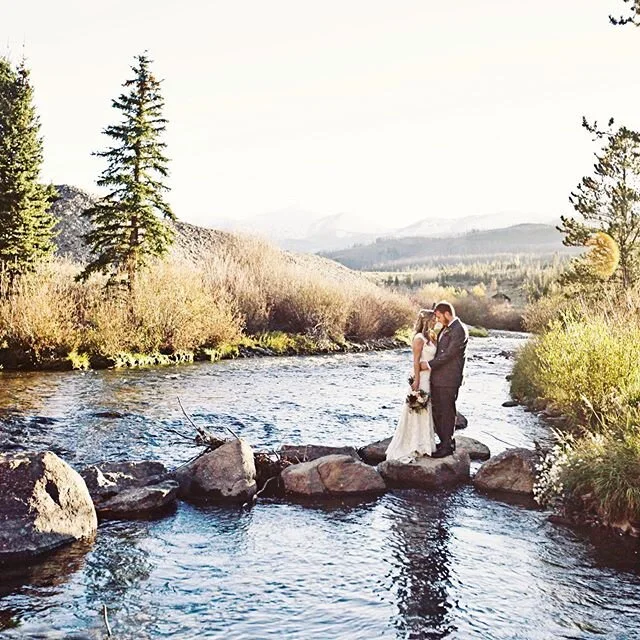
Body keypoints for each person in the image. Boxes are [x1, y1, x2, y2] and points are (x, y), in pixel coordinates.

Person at [386, 309, 437, 462]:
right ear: (426, 320)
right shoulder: (419, 338)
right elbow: (415, 361)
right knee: (417, 408)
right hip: (421, 378)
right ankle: (414, 444)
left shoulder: (431, 336)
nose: (435, 322)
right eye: (433, 319)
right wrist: (416, 380)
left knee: (427, 408)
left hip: (430, 377)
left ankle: (425, 444)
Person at [421, 301, 468, 459]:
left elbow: (449, 354)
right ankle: (445, 441)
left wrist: (428, 364)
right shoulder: (446, 328)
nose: (439, 320)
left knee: (447, 412)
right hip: (438, 378)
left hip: (449, 379)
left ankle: (447, 446)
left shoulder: (459, 330)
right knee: (438, 411)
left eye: (440, 317)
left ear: (447, 313)